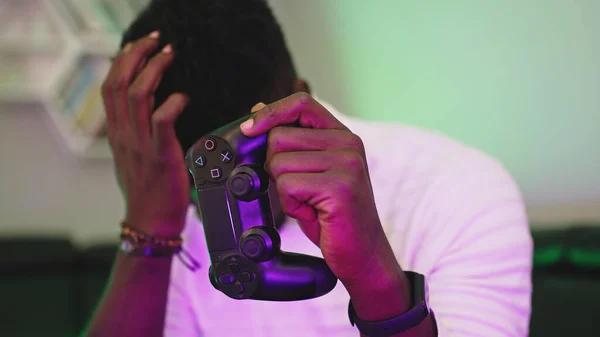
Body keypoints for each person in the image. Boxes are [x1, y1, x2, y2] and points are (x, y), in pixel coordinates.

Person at [84, 0, 533, 336]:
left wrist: (377, 279)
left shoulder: (459, 189)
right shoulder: (167, 216)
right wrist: (147, 229)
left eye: (239, 176)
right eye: (197, 187)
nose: (219, 219)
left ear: (300, 104)